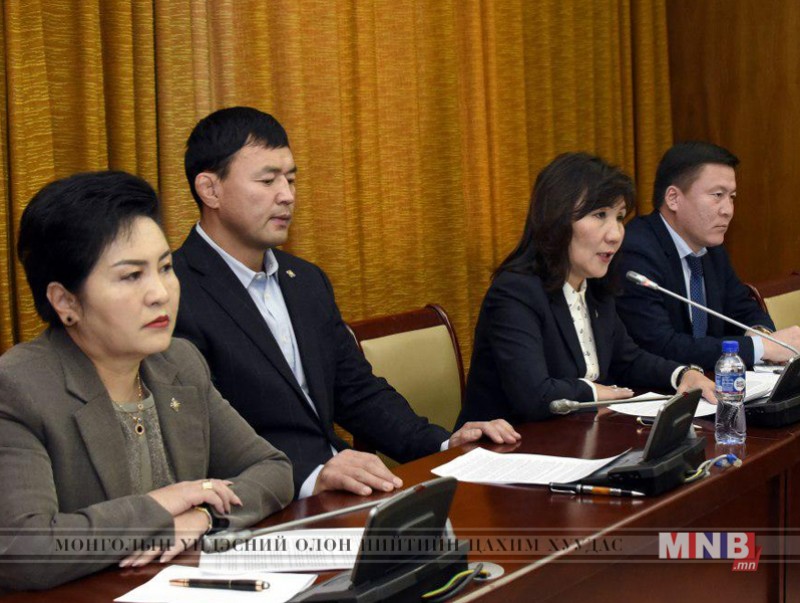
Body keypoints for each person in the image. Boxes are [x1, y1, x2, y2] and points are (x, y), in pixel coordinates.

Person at [173, 107, 520, 500]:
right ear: (210, 189)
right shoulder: (175, 293)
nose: (287, 195)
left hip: (341, 490)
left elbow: (356, 391)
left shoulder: (305, 280)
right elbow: (200, 434)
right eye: (267, 180)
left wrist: (443, 444)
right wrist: (311, 476)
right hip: (262, 504)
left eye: (290, 179)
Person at [0, 171, 293, 591]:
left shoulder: (179, 363)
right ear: (65, 301)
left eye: (165, 267)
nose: (161, 293)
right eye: (131, 276)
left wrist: (203, 516)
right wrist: (160, 506)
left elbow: (273, 470)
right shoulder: (19, 387)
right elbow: (23, 549)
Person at [457, 152, 716, 427]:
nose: (615, 234)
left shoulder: (593, 288)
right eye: (600, 215)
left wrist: (682, 374)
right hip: (505, 444)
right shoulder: (515, 292)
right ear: (556, 219)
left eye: (619, 217)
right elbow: (533, 395)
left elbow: (628, 360)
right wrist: (593, 392)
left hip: (575, 435)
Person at [617, 141, 800, 370]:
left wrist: (761, 334)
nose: (728, 210)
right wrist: (760, 348)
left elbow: (743, 308)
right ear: (673, 198)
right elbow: (661, 345)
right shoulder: (636, 251)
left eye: (732, 197)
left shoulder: (710, 247)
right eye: (717, 195)